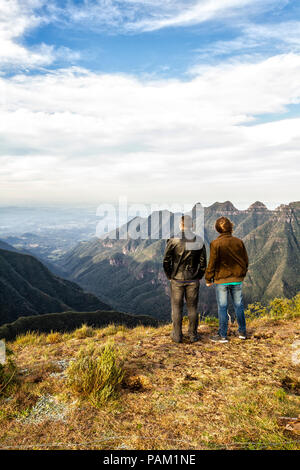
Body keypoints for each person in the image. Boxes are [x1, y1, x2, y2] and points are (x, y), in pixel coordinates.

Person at [163, 215, 207, 343]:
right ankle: (193, 335)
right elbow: (203, 262)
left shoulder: (173, 240)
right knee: (192, 308)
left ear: (180, 225)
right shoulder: (199, 240)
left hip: (177, 279)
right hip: (193, 279)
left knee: (176, 308)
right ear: (191, 225)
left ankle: (177, 336)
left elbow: (166, 261)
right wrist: (199, 275)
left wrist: (169, 275)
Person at [205, 216, 248, 343]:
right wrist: (242, 273)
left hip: (221, 280)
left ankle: (223, 335)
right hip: (237, 279)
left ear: (217, 229)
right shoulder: (239, 242)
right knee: (239, 306)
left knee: (222, 307)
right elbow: (245, 260)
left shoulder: (215, 244)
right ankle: (242, 332)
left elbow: (212, 263)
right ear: (231, 227)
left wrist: (208, 279)